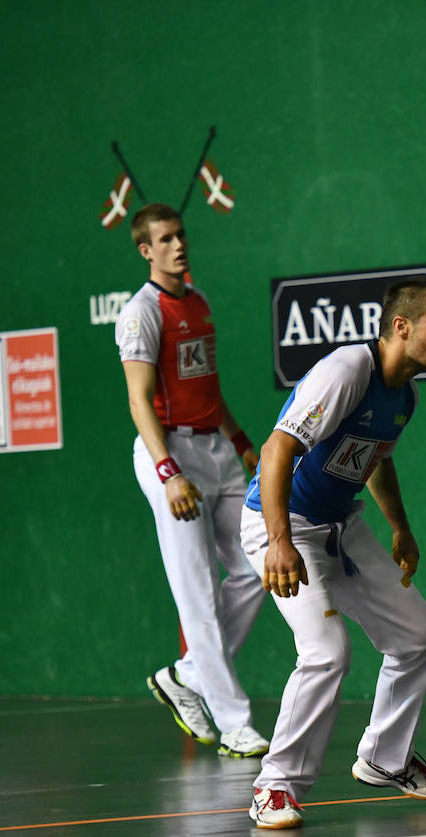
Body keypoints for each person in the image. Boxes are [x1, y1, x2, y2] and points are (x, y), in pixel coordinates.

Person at [242, 278, 426, 829]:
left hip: (340, 526)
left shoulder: (405, 395)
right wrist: (279, 541)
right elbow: (276, 449)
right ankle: (274, 787)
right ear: (401, 327)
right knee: (326, 651)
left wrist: (400, 528)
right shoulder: (348, 370)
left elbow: (375, 460)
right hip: (282, 523)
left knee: (419, 637)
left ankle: (386, 758)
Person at [116, 202, 270, 759]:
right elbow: (139, 401)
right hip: (171, 454)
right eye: (165, 239)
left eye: (180, 235)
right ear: (145, 250)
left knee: (258, 566)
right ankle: (234, 723)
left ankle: (186, 675)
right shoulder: (141, 313)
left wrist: (240, 439)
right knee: (197, 591)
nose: (178, 245)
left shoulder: (198, 301)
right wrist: (169, 474)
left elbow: (206, 386)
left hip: (217, 450)